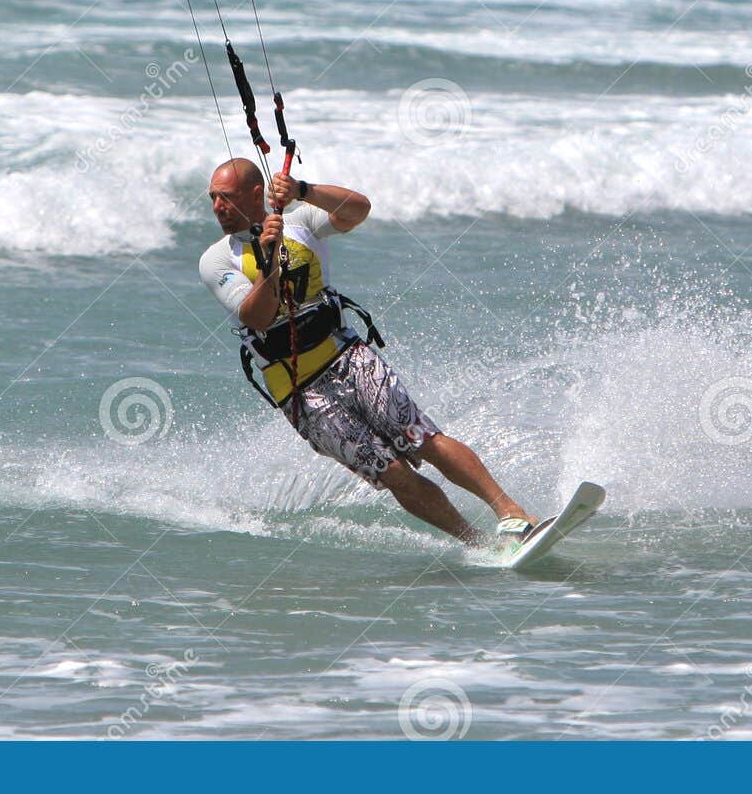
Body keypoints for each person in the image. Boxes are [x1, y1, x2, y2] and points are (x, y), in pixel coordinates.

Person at [199, 158, 535, 545]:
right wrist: (269, 262)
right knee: (393, 472)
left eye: (225, 198)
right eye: (212, 199)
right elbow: (257, 318)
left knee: (420, 436)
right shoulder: (216, 259)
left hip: (347, 357)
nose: (217, 208)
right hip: (299, 391)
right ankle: (479, 544)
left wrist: (302, 190)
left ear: (254, 194)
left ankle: (512, 512)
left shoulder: (300, 222)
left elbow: (358, 210)